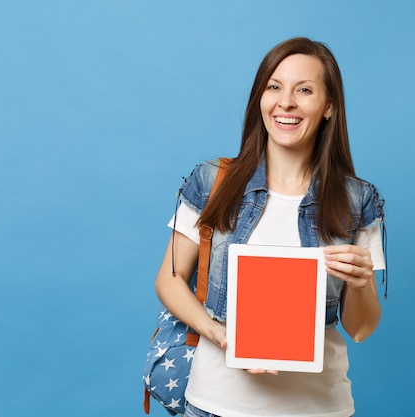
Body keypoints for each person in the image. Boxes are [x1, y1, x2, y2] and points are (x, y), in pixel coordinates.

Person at [155, 37, 386, 417]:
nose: (286, 102)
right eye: (274, 87)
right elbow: (169, 279)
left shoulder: (356, 200)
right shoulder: (212, 180)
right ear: (260, 98)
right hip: (215, 404)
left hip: (318, 408)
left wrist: (360, 283)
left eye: (305, 90)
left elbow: (360, 329)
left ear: (329, 106)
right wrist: (219, 335)